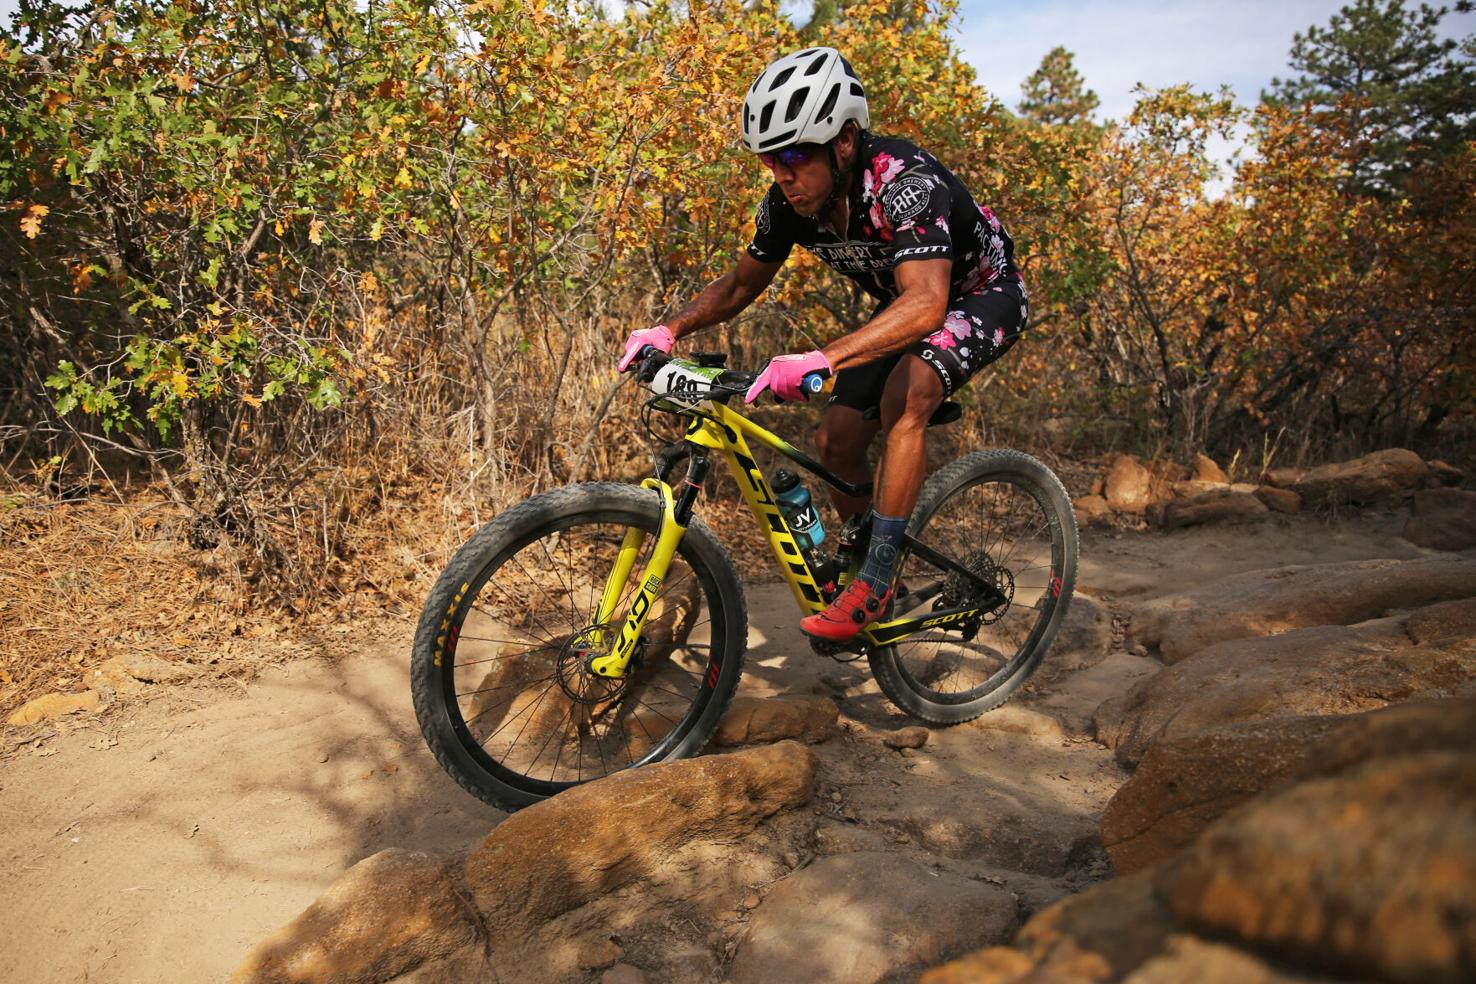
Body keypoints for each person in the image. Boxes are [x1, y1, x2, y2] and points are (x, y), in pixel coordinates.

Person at [617, 46, 1027, 642]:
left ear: (843, 141)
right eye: (769, 160)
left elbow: (927, 304)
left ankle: (877, 580)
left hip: (979, 294)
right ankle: (867, 557)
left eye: (794, 155)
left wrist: (824, 357)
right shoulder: (790, 204)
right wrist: (668, 329)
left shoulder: (904, 182)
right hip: (907, 306)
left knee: (903, 400)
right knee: (835, 442)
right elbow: (738, 285)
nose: (782, 174)